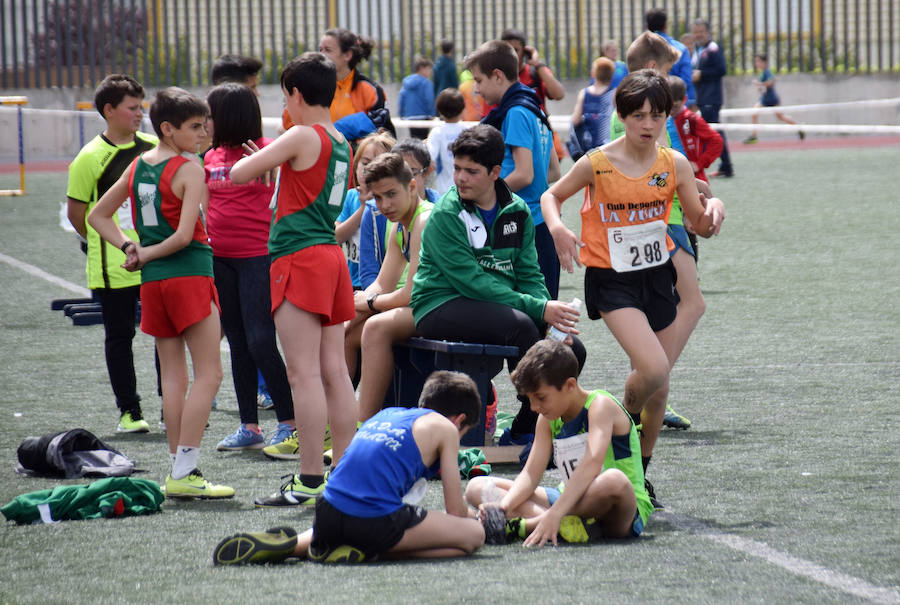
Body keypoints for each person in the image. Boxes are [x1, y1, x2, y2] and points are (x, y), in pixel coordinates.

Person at [540, 70, 725, 509]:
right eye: (639, 115)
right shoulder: (598, 161)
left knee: (659, 388)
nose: (648, 123)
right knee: (656, 369)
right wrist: (558, 228)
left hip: (657, 276)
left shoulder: (673, 164)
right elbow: (552, 195)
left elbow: (699, 224)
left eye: (657, 115)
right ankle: (622, 411)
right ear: (622, 116)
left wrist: (715, 207)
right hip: (611, 279)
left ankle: (640, 470)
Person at [87, 87, 234, 499]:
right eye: (193, 126)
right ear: (167, 129)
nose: (203, 132)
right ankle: (185, 470)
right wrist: (143, 250)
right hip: (188, 276)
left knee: (173, 375)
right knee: (210, 373)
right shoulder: (189, 168)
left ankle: (178, 469)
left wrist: (130, 248)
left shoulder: (138, 166)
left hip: (153, 282)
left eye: (204, 124)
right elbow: (186, 235)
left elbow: (97, 215)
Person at [230, 52, 357, 507]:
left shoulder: (300, 134)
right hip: (329, 256)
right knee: (335, 371)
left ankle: (307, 479)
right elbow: (302, 185)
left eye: (285, 95)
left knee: (302, 374)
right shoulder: (341, 139)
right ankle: (341, 471)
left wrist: (266, 157)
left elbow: (236, 172)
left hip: (298, 259)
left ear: (296, 94)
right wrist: (274, 161)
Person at [410, 124, 585, 441]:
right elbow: (471, 282)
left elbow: (529, 274)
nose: (461, 178)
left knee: (571, 349)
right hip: (440, 303)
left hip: (496, 305)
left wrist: (547, 318)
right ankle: (541, 422)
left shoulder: (517, 211)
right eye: (458, 168)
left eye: (471, 171)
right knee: (522, 327)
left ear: (495, 172)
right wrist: (537, 309)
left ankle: (526, 427)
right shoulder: (445, 214)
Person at [212, 371, 485, 565]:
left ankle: (297, 545)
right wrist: (478, 517)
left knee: (356, 515)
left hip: (327, 512)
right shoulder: (446, 429)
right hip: (372, 523)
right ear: (458, 420)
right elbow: (454, 510)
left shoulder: (388, 413)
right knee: (473, 536)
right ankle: (370, 552)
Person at [466, 340, 652, 545]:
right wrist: (502, 509)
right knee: (477, 486)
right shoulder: (547, 417)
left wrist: (554, 512)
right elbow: (530, 474)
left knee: (614, 480)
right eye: (530, 399)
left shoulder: (600, 405)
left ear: (570, 385)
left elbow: (592, 465)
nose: (534, 407)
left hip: (617, 509)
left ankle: (530, 524)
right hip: (569, 500)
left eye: (541, 397)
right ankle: (568, 525)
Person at [203, 83, 296, 453]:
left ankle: (288, 423)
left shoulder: (269, 152)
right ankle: (249, 426)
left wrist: (274, 166)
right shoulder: (209, 156)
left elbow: (285, 195)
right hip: (220, 259)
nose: (206, 122)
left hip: (259, 258)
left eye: (211, 115)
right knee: (238, 342)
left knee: (260, 339)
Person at [66, 74, 158, 434]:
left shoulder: (153, 148)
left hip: (156, 259)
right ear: (109, 110)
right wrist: (110, 243)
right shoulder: (89, 158)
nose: (140, 113)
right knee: (120, 336)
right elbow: (78, 214)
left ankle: (171, 406)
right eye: (132, 107)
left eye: (141, 106)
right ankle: (130, 412)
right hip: (114, 268)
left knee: (165, 334)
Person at [468, 40, 562, 299]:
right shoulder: (535, 108)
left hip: (523, 227)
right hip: (540, 224)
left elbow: (524, 174)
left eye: (479, 80)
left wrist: (482, 195)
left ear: (497, 76)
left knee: (525, 311)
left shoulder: (516, 113)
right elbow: (553, 172)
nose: (476, 89)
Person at [353, 153, 433, 423]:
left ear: (412, 186)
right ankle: (335, 423)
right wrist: (354, 305)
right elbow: (382, 283)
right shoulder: (400, 225)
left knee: (375, 326)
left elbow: (411, 295)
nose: (384, 205)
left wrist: (367, 304)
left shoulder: (424, 220)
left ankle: (366, 428)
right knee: (346, 328)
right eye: (377, 198)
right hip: (421, 307)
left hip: (441, 307)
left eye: (390, 194)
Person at [691, 19, 733, 177]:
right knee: (711, 131)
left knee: (713, 132)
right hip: (702, 97)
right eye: (696, 32)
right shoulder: (697, 49)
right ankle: (724, 166)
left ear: (708, 32)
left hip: (711, 97)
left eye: (701, 31)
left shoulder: (714, 48)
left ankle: (725, 166)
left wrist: (702, 75)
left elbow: (722, 70)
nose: (698, 34)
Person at [668, 75, 723, 183]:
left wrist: (699, 164)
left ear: (684, 100)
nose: (670, 110)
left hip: (692, 178)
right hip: (670, 175)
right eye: (667, 106)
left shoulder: (691, 119)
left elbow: (717, 141)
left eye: (675, 106)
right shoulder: (662, 119)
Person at [744, 53, 804, 144]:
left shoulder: (767, 72)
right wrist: (760, 87)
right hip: (764, 99)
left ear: (764, 62)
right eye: (756, 61)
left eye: (758, 61)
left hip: (772, 99)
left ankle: (798, 128)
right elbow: (764, 87)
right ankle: (754, 135)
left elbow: (772, 81)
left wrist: (759, 84)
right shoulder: (762, 73)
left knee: (781, 117)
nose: (756, 63)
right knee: (754, 113)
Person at [646, 7, 696, 107]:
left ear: (647, 26)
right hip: (676, 105)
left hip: (649, 103)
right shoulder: (680, 49)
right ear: (665, 25)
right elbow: (686, 80)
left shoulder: (640, 49)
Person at [571, 57, 616, 156]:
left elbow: (576, 120)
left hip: (588, 146)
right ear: (611, 76)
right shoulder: (613, 94)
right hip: (607, 145)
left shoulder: (584, 93)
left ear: (593, 74)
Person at [426, 88, 467, 196]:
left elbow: (429, 157)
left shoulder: (437, 131)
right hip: (466, 187)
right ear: (463, 109)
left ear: (439, 110)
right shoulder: (467, 130)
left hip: (443, 190)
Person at [398, 57, 436, 139]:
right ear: (422, 68)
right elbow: (429, 99)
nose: (430, 72)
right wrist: (432, 114)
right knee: (423, 141)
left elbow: (401, 97)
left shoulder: (406, 82)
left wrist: (401, 114)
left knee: (414, 140)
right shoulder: (426, 82)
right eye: (429, 69)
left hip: (410, 117)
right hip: (424, 117)